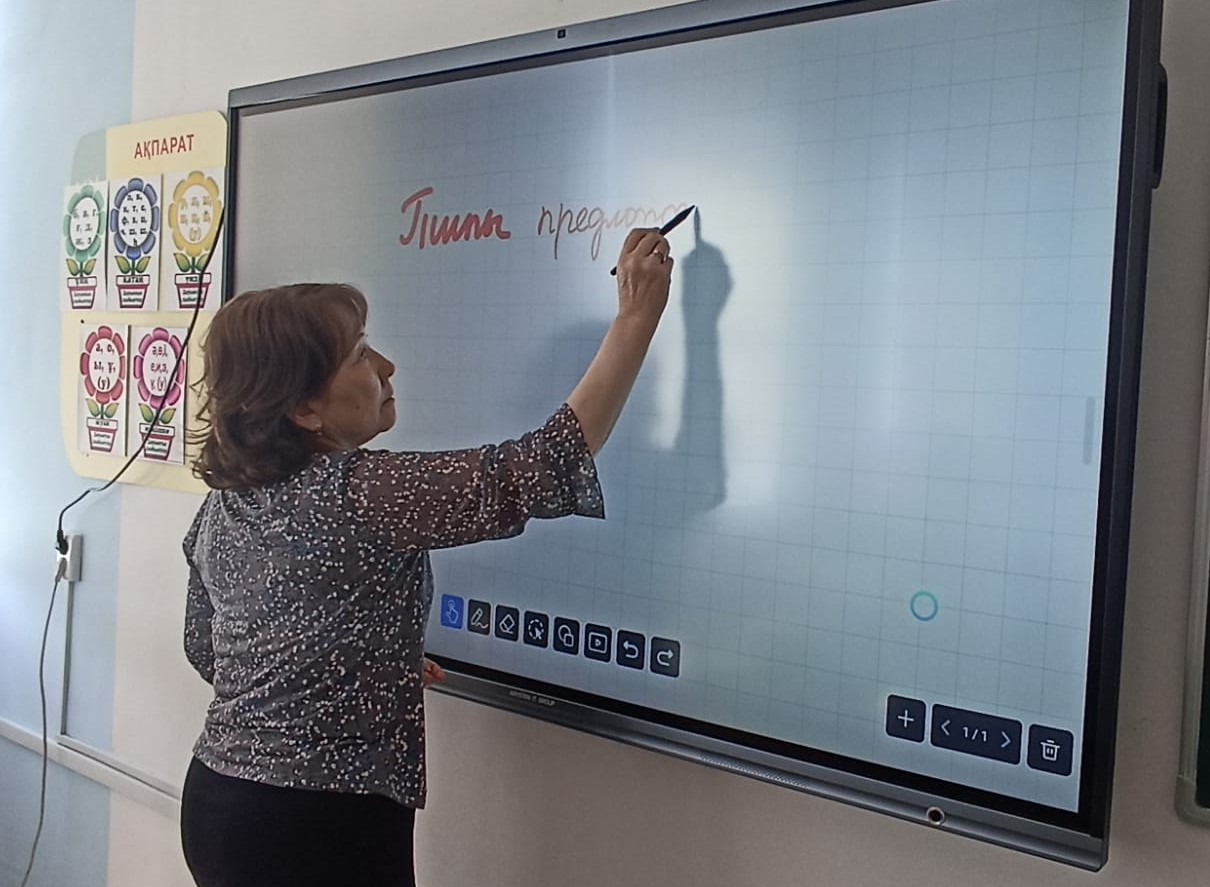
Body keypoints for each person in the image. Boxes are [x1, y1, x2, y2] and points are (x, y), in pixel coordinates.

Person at [178, 227, 675, 887]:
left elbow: (207, 647)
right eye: (359, 354)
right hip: (316, 824)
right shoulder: (360, 491)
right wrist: (636, 317)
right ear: (304, 408)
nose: (386, 366)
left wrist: (352, 663)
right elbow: (542, 466)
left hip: (217, 801)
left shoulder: (228, 501)